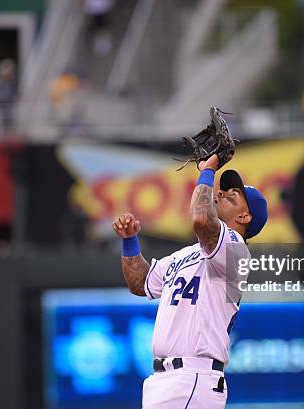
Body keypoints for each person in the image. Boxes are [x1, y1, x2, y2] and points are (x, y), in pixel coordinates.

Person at [112, 153, 268, 408]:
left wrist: (208, 171)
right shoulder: (186, 254)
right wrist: (130, 242)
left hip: (194, 377)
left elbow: (201, 219)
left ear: (244, 217)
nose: (219, 195)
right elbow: (140, 283)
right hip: (163, 381)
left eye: (231, 197)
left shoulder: (235, 251)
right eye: (221, 191)